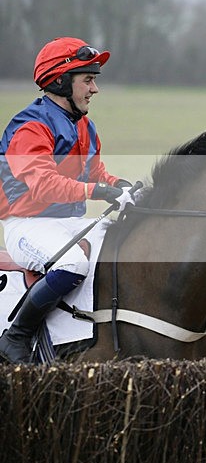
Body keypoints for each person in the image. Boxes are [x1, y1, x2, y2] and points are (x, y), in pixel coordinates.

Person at [0, 36, 135, 363]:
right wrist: (99, 192)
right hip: (28, 225)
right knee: (73, 264)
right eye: (87, 80)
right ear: (61, 81)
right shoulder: (30, 127)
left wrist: (122, 185)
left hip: (70, 223)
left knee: (125, 245)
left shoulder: (85, 126)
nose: (94, 89)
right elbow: (44, 185)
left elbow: (95, 173)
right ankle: (16, 336)